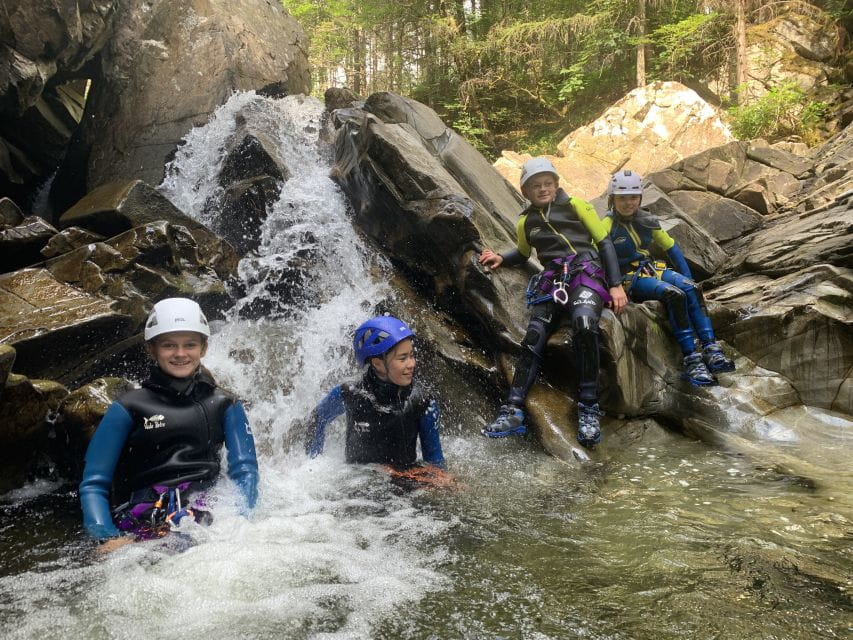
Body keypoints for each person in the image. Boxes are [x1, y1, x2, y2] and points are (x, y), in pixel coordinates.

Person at [79, 298, 259, 550]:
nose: (180, 354)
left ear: (204, 348)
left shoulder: (225, 404)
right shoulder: (128, 407)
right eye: (169, 345)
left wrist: (239, 519)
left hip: (206, 512)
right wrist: (106, 536)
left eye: (190, 345)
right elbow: (94, 483)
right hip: (144, 516)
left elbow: (246, 471)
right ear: (151, 349)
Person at [478, 157, 627, 448]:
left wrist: (616, 285)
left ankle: (588, 407)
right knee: (533, 337)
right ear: (526, 190)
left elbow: (605, 243)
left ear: (556, 185)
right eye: (536, 185)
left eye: (548, 183)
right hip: (553, 280)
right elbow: (522, 254)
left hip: (586, 273)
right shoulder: (525, 221)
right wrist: (500, 257)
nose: (543, 189)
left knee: (584, 323)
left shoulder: (577, 206)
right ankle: (513, 409)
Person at [603, 169, 735, 385]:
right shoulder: (606, 225)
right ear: (613, 199)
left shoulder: (646, 220)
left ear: (640, 198)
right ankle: (692, 359)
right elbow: (596, 254)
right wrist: (610, 287)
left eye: (633, 197)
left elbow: (671, 248)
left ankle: (712, 349)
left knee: (690, 288)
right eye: (622, 198)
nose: (629, 203)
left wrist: (690, 278)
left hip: (651, 268)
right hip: (629, 277)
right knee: (673, 294)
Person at [304, 316, 446, 476]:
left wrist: (418, 477)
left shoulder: (423, 402)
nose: (411, 364)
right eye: (402, 358)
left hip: (401, 489)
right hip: (354, 483)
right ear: (377, 363)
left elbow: (436, 466)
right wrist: (312, 466)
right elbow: (317, 419)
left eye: (412, 355)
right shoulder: (350, 392)